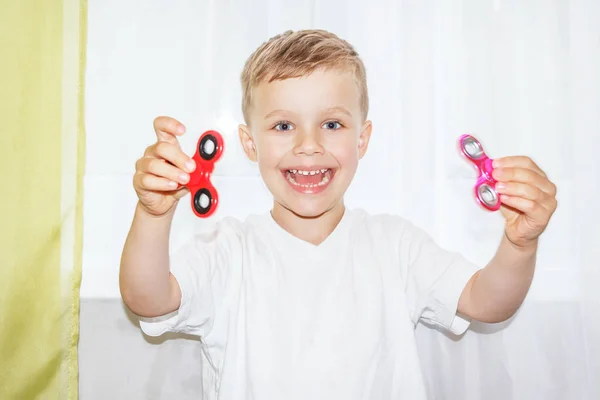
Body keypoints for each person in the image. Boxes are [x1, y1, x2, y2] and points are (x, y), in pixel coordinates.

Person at [119, 29, 557, 399]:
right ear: (250, 144)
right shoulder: (227, 250)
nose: (308, 144)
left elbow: (486, 302)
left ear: (362, 140)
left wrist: (520, 244)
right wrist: (152, 215)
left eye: (331, 124)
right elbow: (148, 299)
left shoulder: (395, 245)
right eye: (283, 125)